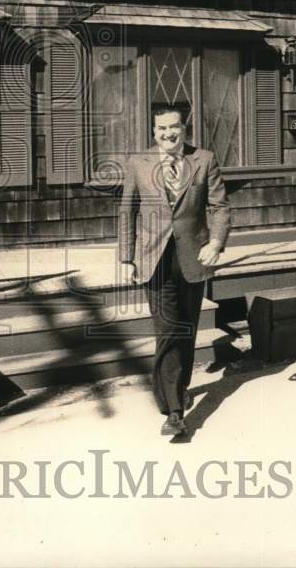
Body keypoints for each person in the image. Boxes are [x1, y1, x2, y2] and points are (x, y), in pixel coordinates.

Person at [119, 105, 232, 436]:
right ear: (153, 132)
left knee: (186, 329)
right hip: (153, 258)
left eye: (174, 127)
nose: (168, 133)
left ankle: (172, 391)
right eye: (161, 129)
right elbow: (127, 213)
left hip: (193, 256)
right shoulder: (138, 164)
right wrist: (126, 257)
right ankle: (175, 412)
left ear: (185, 128)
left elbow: (219, 206)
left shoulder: (204, 160)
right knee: (167, 329)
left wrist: (215, 243)